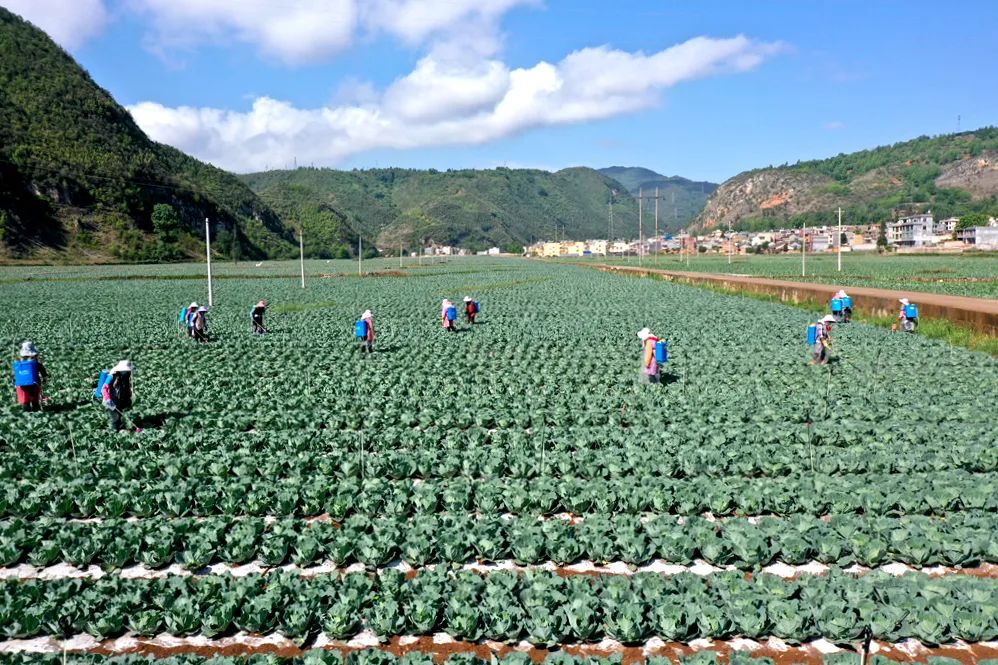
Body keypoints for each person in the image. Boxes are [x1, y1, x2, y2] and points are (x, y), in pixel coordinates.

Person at [12, 341, 47, 412]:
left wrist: (15, 381)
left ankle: (26, 413)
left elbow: (15, 373)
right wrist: (45, 378)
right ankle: (36, 411)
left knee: (25, 401)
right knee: (35, 400)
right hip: (34, 383)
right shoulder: (35, 362)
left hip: (21, 385)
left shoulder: (18, 362)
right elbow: (42, 371)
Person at [101, 360, 133, 432]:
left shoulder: (125, 378)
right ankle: (114, 432)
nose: (127, 372)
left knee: (119, 415)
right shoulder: (111, 377)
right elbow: (104, 389)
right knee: (115, 417)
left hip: (120, 399)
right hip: (110, 400)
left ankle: (119, 428)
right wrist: (107, 399)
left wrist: (129, 395)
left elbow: (126, 388)